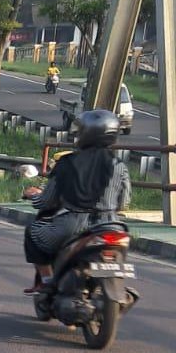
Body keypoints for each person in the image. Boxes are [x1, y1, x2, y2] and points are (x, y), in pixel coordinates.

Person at [21, 109, 130, 295]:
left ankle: (46, 281)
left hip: (73, 224)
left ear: (85, 133)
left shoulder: (67, 163)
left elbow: (46, 202)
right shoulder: (119, 166)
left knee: (32, 232)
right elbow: (124, 202)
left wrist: (33, 196)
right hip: (111, 225)